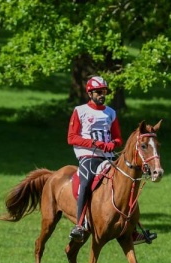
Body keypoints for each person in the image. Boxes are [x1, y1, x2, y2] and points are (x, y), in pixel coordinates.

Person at [67, 76, 157, 245]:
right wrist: (95, 143)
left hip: (108, 156)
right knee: (86, 183)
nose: (102, 95)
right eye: (99, 92)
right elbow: (71, 138)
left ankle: (133, 230)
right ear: (90, 93)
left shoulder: (111, 112)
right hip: (88, 156)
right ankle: (79, 225)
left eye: (104, 92)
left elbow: (117, 139)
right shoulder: (80, 111)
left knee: (128, 184)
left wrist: (111, 144)